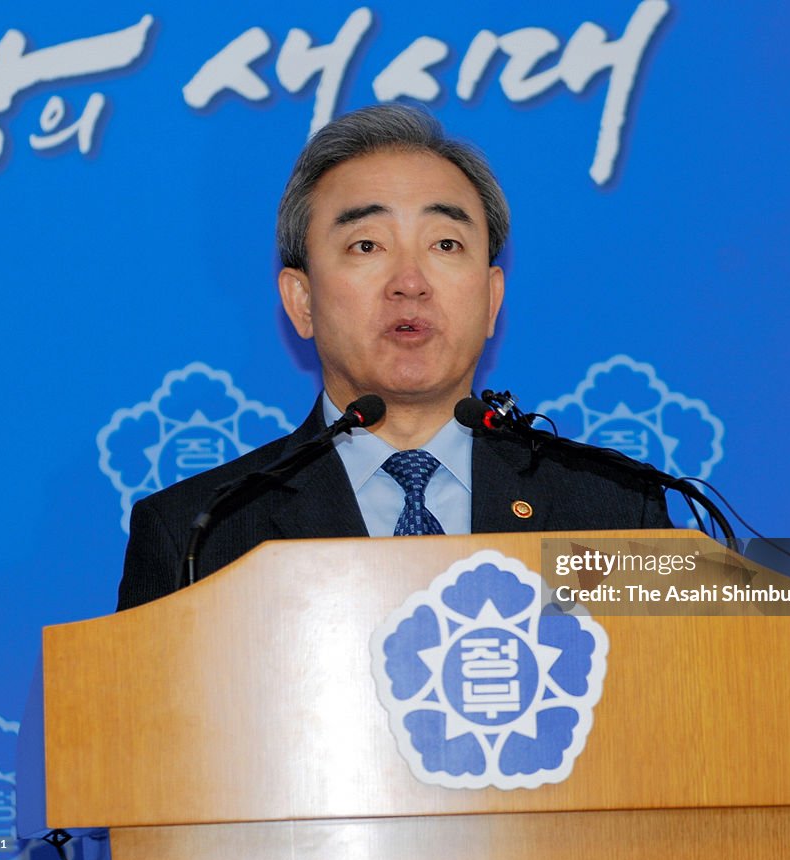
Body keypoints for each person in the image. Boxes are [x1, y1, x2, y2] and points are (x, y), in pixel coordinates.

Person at [117, 105, 670, 611]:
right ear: (301, 301)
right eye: (367, 245)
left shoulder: (614, 511)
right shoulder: (201, 534)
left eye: (445, 244)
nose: (410, 283)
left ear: (492, 300)